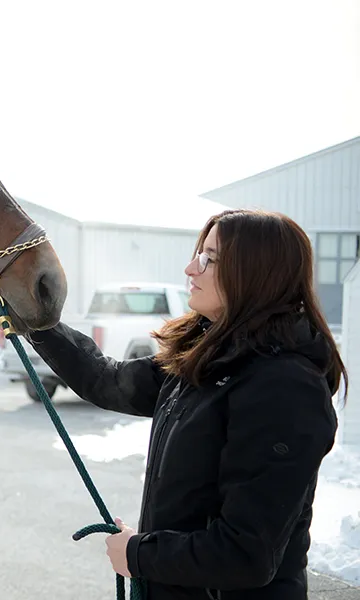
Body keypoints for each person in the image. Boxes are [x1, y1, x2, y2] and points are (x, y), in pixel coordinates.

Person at [27, 209, 344, 600]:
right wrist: (35, 320)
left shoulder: (284, 388)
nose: (191, 267)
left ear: (255, 274)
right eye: (200, 252)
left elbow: (246, 553)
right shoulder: (205, 358)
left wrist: (139, 553)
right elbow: (106, 380)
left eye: (210, 258)